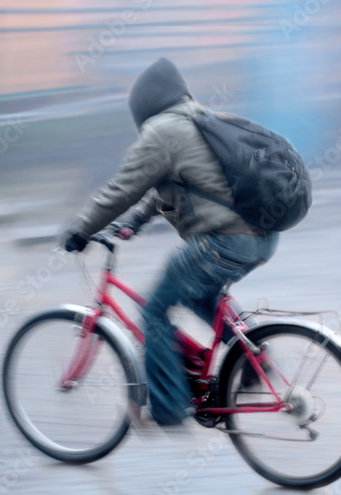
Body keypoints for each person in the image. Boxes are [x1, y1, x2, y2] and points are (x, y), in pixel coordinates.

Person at [61, 57, 279, 426]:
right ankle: (255, 356)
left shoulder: (162, 131)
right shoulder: (202, 120)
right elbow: (172, 187)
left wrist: (80, 229)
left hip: (224, 242)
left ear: (144, 104)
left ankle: (166, 408)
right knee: (198, 291)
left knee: (154, 311)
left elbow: (122, 189)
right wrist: (136, 222)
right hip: (261, 238)